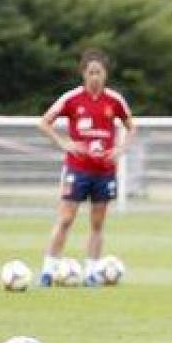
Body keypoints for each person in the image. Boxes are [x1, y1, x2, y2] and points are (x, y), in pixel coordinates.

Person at [37, 49, 135, 286]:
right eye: (91, 72)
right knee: (65, 219)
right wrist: (64, 143)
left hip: (104, 172)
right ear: (83, 74)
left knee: (97, 223)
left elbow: (131, 126)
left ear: (105, 74)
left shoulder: (114, 100)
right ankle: (48, 270)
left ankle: (91, 272)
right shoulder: (72, 99)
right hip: (77, 169)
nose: (95, 77)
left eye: (98, 72)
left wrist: (120, 149)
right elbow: (44, 122)